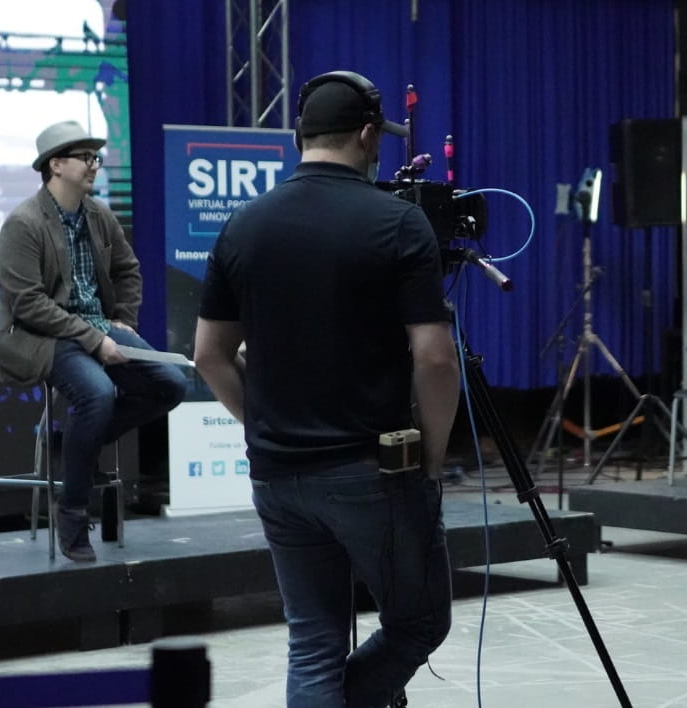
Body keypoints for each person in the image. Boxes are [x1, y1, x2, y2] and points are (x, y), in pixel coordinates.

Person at [193, 70, 459, 707]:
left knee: (313, 644)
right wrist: (431, 456)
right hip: (371, 471)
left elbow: (208, 355)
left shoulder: (242, 225)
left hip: (277, 474)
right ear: (368, 135)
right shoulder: (398, 223)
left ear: (299, 137)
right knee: (419, 621)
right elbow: (435, 359)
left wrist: (262, 423)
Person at [0, 121, 188, 562]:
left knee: (170, 384)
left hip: (97, 325)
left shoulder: (98, 215)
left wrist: (123, 321)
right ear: (55, 165)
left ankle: (76, 445)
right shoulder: (23, 224)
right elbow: (28, 304)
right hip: (42, 336)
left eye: (96, 157)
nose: (94, 165)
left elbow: (128, 271)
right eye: (84, 157)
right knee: (97, 394)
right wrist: (94, 339)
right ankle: (73, 512)